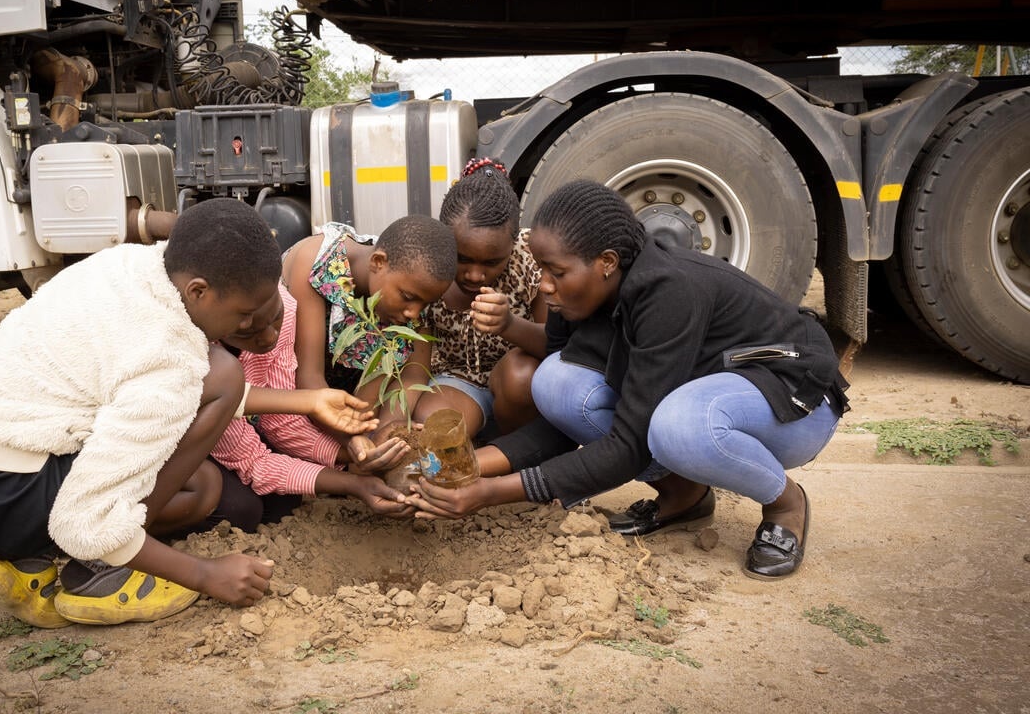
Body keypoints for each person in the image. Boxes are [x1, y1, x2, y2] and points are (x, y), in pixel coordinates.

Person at [408, 180, 849, 581]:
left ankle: (785, 503)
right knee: (556, 383)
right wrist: (468, 468)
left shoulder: (668, 293)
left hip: (790, 399)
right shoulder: (586, 295)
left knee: (678, 426)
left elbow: (629, 445)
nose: (542, 285)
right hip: (710, 390)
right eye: (541, 269)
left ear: (606, 262)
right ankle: (684, 496)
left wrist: (489, 493)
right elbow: (561, 428)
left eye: (555, 272)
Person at [0, 199, 303, 629]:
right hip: (2, 501)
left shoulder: (130, 266)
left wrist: (304, 400)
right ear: (198, 291)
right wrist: (204, 574)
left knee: (217, 386)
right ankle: (101, 571)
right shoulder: (168, 358)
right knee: (204, 472)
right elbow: (83, 520)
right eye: (245, 316)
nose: (255, 328)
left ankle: (22, 559)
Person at [201, 284, 417, 531]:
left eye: (275, 318)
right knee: (241, 511)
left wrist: (354, 451)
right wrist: (354, 484)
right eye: (250, 331)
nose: (270, 337)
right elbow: (254, 462)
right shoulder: (205, 358)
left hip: (235, 427)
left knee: (282, 505)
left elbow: (282, 422)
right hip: (186, 440)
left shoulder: (280, 305)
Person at [281, 214, 456, 442]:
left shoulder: (410, 287)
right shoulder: (317, 264)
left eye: (426, 304)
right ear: (378, 262)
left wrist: (388, 429)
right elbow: (308, 377)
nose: (414, 313)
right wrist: (353, 440)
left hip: (348, 397)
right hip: (292, 390)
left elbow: (414, 374)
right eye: (407, 297)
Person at [415, 158, 547, 438]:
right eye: (462, 259)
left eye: (491, 262)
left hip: (521, 385)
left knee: (520, 377)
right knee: (435, 424)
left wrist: (509, 325)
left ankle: (513, 452)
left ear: (513, 244)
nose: (475, 275)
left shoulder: (530, 257)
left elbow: (557, 346)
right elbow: (416, 365)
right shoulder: (429, 264)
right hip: (457, 381)